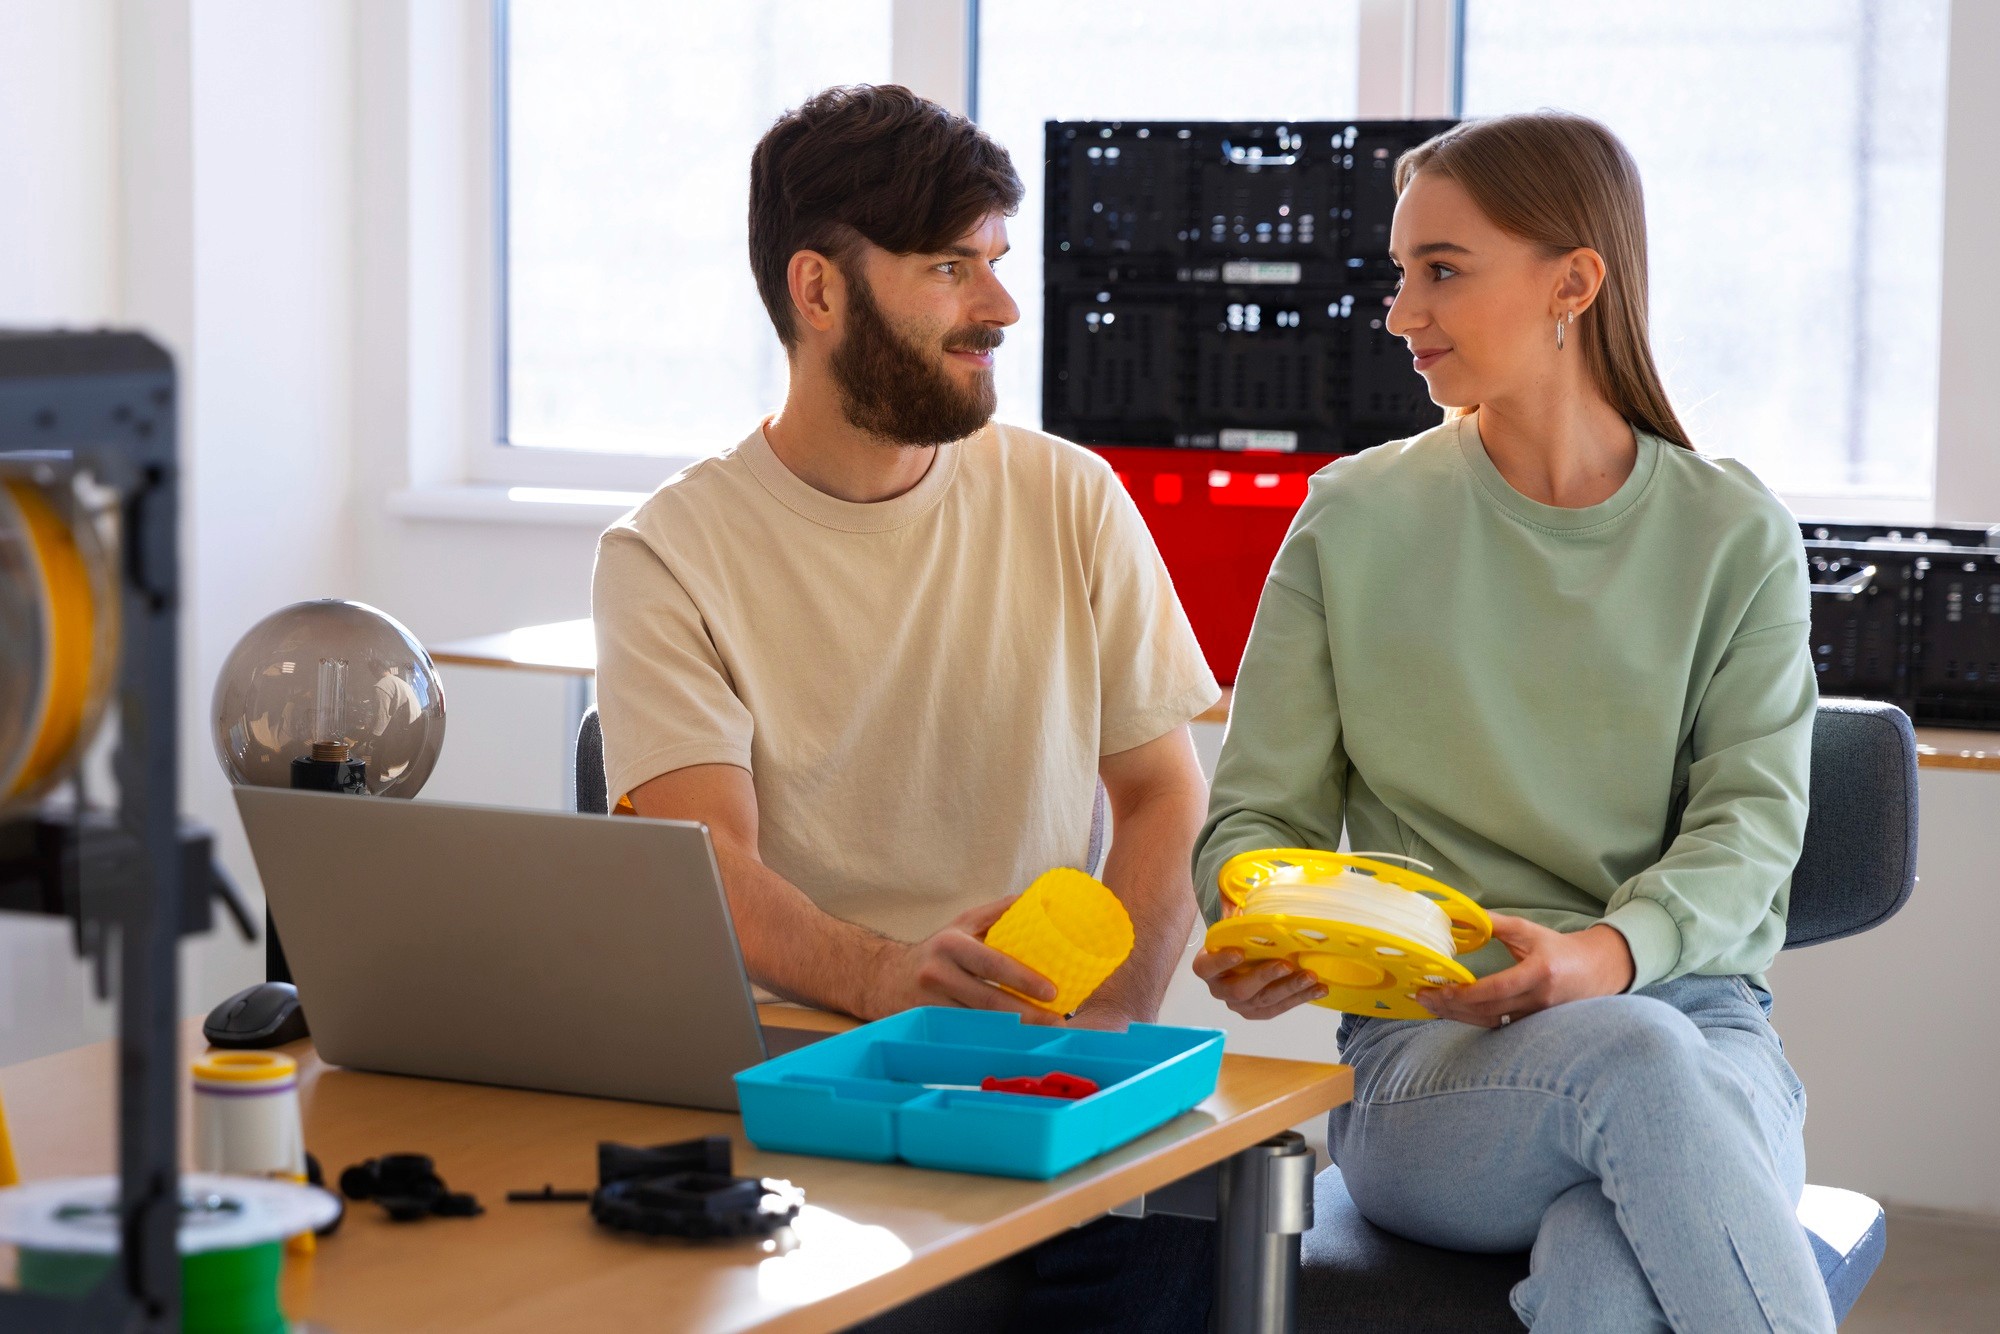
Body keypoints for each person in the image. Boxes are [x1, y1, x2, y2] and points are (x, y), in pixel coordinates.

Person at [1191, 112, 1834, 1332]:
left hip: (1704, 1031)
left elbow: (1751, 827)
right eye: (1399, 273)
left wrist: (1602, 954)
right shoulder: (1353, 517)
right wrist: (1256, 911)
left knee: (1605, 1262)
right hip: (1432, 1062)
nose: (1398, 311)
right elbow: (1257, 815)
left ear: (1572, 282)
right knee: (1632, 1059)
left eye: (1440, 270)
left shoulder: (1731, 532)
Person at [592, 84, 1218, 1331]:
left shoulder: (1069, 497)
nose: (999, 306)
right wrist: (886, 977)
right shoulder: (667, 551)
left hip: (1033, 1072)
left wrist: (1094, 1044)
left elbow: (1160, 794)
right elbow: (709, 858)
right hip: (805, 1078)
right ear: (817, 290)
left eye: (993, 260)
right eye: (948, 266)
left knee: (1187, 1246)